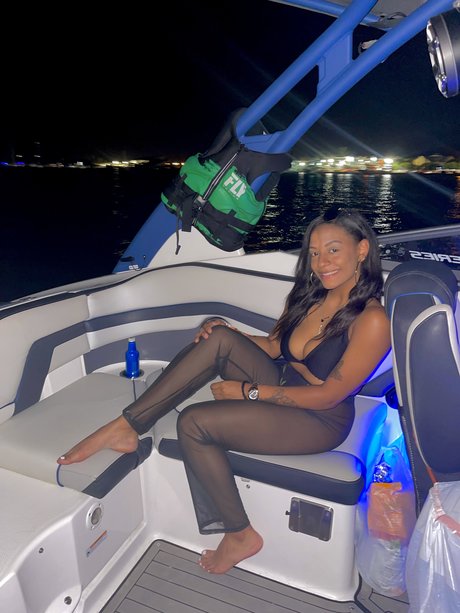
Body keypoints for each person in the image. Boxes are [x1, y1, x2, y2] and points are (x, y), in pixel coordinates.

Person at [57, 206, 391, 575]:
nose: (321, 263)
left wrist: (249, 391)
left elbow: (329, 395)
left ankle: (240, 534)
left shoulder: (372, 319)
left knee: (194, 423)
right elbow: (273, 347)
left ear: (362, 250)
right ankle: (127, 426)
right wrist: (229, 332)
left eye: (333, 250)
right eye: (313, 252)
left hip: (320, 418)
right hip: (284, 383)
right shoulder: (310, 294)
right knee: (217, 338)